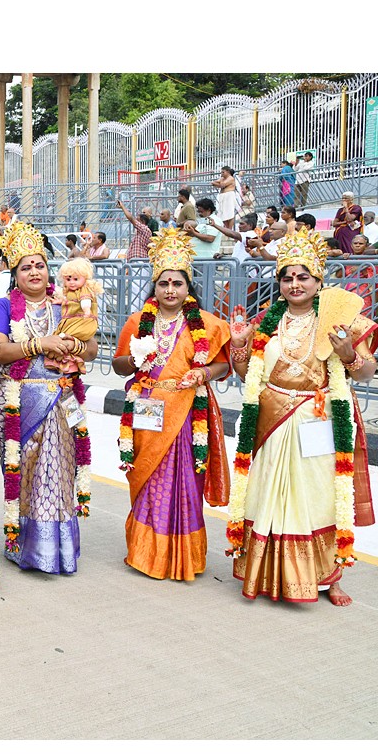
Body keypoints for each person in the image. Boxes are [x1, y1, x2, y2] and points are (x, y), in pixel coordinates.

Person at [226, 228, 378, 606]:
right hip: (272, 421)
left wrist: (348, 354)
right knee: (266, 496)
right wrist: (241, 345)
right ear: (279, 283)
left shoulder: (339, 321)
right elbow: (246, 375)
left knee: (319, 497)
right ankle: (266, 572)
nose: (295, 284)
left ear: (318, 280)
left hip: (316, 420)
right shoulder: (265, 320)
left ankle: (330, 576)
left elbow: (366, 372)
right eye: (287, 277)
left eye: (303, 276)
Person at [112, 229, 231, 581]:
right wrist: (134, 359)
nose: (170, 290)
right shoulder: (137, 322)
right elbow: (119, 364)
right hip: (147, 411)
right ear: (155, 285)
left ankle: (183, 557)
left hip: (186, 412)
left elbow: (223, 364)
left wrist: (204, 373)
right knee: (147, 478)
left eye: (177, 283)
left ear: (187, 287)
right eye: (163, 283)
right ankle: (146, 553)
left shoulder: (206, 324)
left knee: (184, 482)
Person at [0, 222, 97, 574]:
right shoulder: (5, 306)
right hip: (19, 401)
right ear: (14, 275)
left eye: (39, 265)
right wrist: (40, 344)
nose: (34, 271)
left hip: (60, 402)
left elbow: (92, 349)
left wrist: (74, 346)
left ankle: (55, 551)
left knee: (57, 474)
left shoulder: (67, 304)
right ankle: (24, 547)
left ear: (49, 270)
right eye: (25, 267)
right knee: (25, 474)